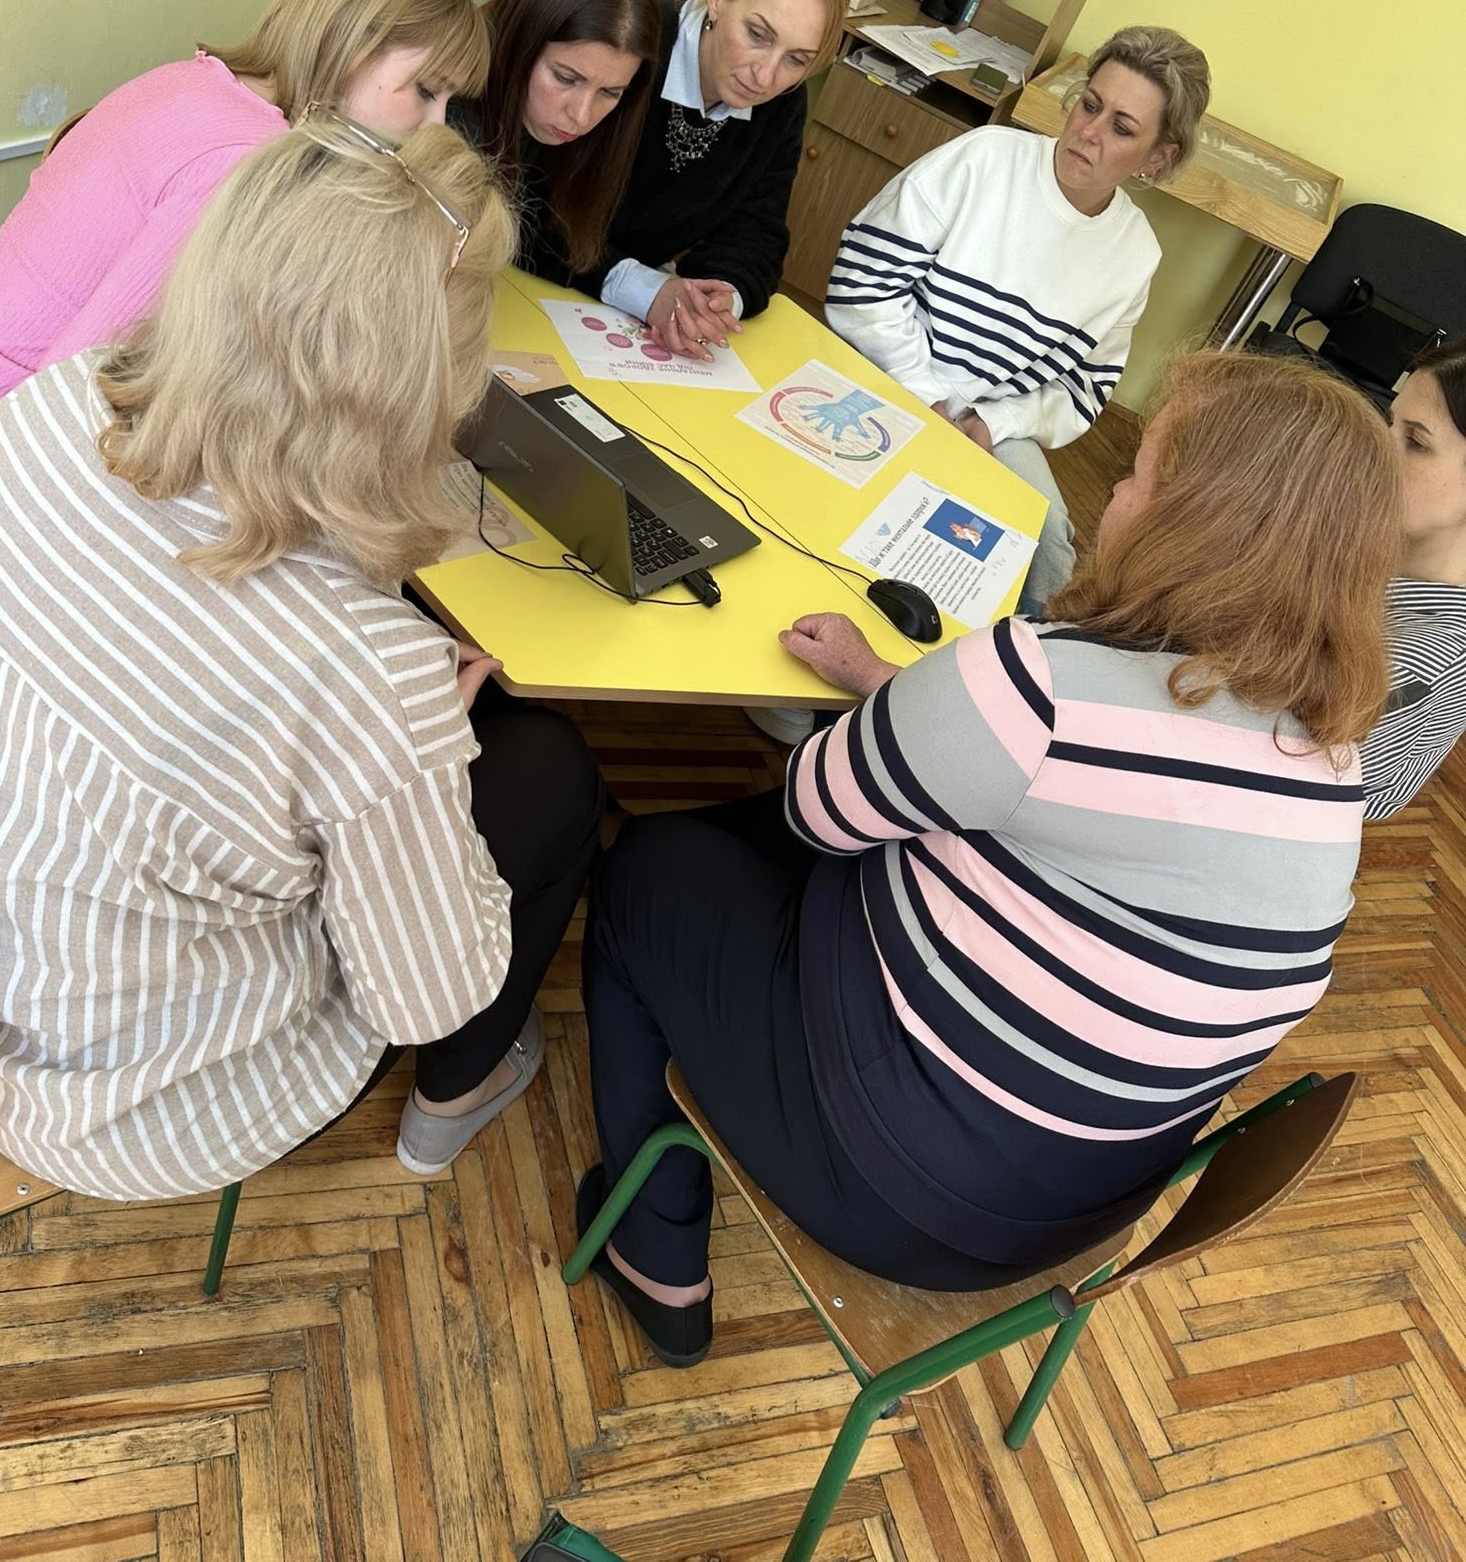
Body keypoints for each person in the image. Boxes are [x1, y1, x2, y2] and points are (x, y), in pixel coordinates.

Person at [576, 351, 1396, 1365]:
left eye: (1139, 474)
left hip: (893, 1183)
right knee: (802, 844)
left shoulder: (1045, 686)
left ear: (1197, 526)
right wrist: (900, 687)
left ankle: (656, 1254)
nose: (1112, 493)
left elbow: (815, 808)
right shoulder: (1331, 769)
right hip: (1068, 1215)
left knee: (646, 868)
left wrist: (926, 699)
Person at [0, 114, 603, 1201]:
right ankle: (459, 1092)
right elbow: (420, 998)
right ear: (420, 383)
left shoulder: (50, 408)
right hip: (131, 1109)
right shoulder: (366, 670)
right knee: (554, 773)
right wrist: (417, 749)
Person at [0, 0, 487, 521]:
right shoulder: (245, 163)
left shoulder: (200, 80)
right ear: (355, 43)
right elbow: (73, 398)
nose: (436, 126)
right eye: (426, 91)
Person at [824, 26, 1212, 610]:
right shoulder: (983, 159)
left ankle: (1011, 663)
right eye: (1090, 104)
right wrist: (930, 399)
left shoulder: (1135, 255)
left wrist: (992, 422)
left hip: (987, 425)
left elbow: (1083, 389)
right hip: (888, 376)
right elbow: (862, 284)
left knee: (1046, 551)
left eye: (1122, 128)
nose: (1089, 131)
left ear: (1159, 157)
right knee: (851, 507)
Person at [486, 0, 849, 361]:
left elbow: (758, 231)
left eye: (796, 59)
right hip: (522, 282)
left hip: (612, 313)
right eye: (757, 35)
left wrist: (716, 301)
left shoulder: (782, 102)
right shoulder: (629, 46)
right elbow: (526, 208)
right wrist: (645, 290)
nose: (766, 76)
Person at [456, 0, 662, 309]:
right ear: (521, 40)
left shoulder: (546, 125)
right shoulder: (448, 109)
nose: (581, 117)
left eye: (610, 92)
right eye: (566, 78)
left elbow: (544, 232)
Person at [1363, 336, 1466, 818]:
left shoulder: (1422, 658)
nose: (1378, 451)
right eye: (1391, 423)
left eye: (1416, 442)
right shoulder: (1370, 549)